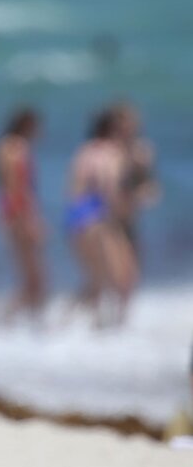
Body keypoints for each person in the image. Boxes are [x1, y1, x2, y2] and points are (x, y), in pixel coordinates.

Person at [64, 108, 138, 325]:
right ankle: (116, 328)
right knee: (124, 277)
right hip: (101, 217)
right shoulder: (112, 152)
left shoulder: (84, 151)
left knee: (95, 279)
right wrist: (121, 213)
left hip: (78, 218)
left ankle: (67, 322)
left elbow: (73, 190)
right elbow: (110, 187)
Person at [0, 108, 46, 319]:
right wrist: (30, 219)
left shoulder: (3, 146)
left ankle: (21, 322)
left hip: (8, 210)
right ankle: (17, 321)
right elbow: (18, 187)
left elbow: (4, 185)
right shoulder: (17, 147)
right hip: (18, 211)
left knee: (30, 275)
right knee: (35, 277)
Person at [111, 101, 160, 258]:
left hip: (129, 218)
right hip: (105, 218)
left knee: (129, 262)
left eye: (130, 122)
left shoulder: (142, 152)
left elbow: (151, 188)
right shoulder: (106, 150)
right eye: (122, 122)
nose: (127, 127)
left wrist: (142, 195)